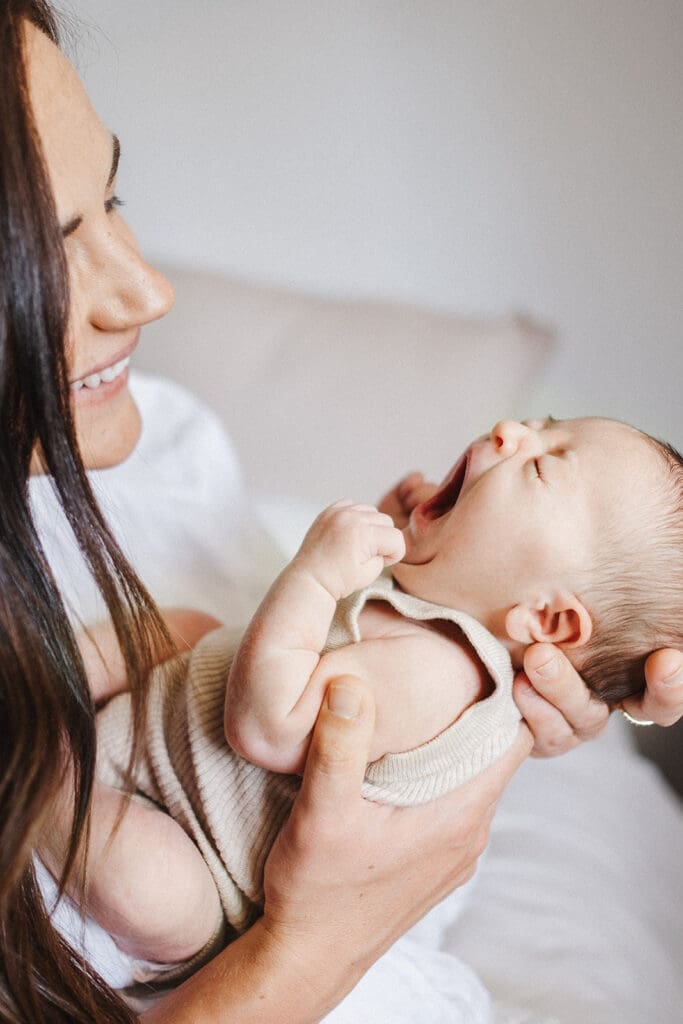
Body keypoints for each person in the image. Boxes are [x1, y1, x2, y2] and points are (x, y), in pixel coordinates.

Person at [1, 2, 681, 1021]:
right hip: (201, 794)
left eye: (116, 198)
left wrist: (519, 722)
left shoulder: (160, 433)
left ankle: (57, 777)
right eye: (51, 252)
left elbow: (284, 710)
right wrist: (301, 954)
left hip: (197, 849)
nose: (149, 291)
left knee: (155, 873)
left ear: (550, 621)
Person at [58, 414, 681, 980]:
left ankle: (48, 779)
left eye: (543, 463)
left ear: (548, 622)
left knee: (159, 896)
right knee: (184, 625)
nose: (510, 430)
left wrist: (317, 571)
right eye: (544, 424)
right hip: (167, 723)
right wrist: (395, 537)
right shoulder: (438, 610)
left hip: (191, 838)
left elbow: (268, 728)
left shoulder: (436, 677)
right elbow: (358, 618)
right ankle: (39, 679)